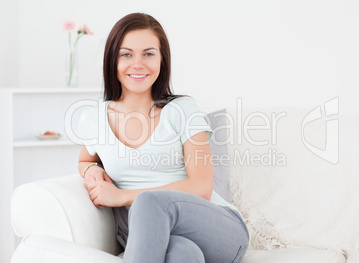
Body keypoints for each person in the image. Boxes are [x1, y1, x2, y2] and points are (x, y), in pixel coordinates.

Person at [77, 12, 249, 263]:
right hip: (152, 235)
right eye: (127, 54)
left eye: (148, 53)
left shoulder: (183, 110)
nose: (138, 63)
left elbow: (201, 187)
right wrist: (91, 170)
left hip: (217, 229)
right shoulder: (94, 118)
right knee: (183, 255)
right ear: (112, 60)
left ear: (162, 60)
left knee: (149, 202)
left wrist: (122, 196)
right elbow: (84, 161)